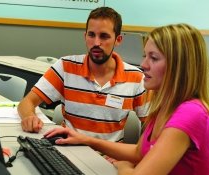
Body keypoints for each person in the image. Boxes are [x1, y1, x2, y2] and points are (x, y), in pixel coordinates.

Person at [44, 23, 209, 174]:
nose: (144, 65)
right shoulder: (165, 106)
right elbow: (140, 152)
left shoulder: (190, 113)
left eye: (153, 58)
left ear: (179, 67)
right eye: (145, 55)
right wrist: (86, 140)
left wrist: (123, 165)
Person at [17, 7, 149, 142]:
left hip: (110, 158)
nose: (96, 43)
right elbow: (26, 102)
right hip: (68, 151)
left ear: (118, 40)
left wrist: (133, 154)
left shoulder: (137, 78)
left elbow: (153, 126)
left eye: (104, 36)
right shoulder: (65, 66)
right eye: (91, 35)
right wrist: (29, 116)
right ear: (85, 36)